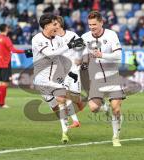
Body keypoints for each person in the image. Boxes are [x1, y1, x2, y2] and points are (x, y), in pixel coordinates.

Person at [81, 11, 141, 147]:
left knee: (117, 109)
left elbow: (118, 56)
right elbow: (83, 56)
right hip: (95, 79)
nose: (92, 27)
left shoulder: (111, 35)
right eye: (90, 25)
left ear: (101, 22)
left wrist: (101, 54)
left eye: (94, 24)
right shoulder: (84, 37)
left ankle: (115, 137)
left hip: (112, 76)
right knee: (93, 108)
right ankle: (105, 108)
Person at [31, 14, 85, 144]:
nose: (57, 27)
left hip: (55, 78)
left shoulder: (58, 40)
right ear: (46, 26)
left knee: (62, 98)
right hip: (41, 80)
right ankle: (68, 123)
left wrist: (70, 72)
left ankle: (64, 133)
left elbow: (62, 57)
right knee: (56, 109)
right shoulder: (37, 39)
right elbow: (50, 54)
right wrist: (70, 45)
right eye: (54, 24)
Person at [0, 23, 31, 108]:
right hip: (5, 63)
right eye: (8, 27)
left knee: (0, 83)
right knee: (4, 84)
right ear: (6, 29)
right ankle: (2, 104)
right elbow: (13, 50)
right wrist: (25, 51)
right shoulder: (6, 39)